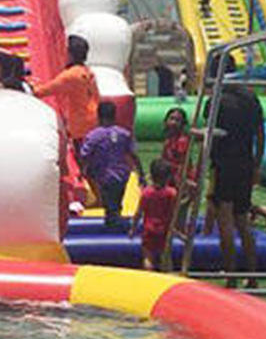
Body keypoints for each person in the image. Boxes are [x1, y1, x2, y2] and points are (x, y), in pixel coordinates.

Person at [207, 57, 266, 287]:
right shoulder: (250, 97)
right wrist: (257, 164)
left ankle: (231, 275)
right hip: (244, 163)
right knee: (242, 220)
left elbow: (211, 133)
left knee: (225, 220)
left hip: (224, 164)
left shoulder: (217, 99)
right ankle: (252, 276)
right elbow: (260, 134)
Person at [77, 101, 140, 233]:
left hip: (103, 175)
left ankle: (113, 228)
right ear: (114, 115)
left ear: (98, 116)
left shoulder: (94, 135)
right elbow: (133, 154)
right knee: (116, 201)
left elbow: (84, 155)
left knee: (109, 204)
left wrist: (82, 171)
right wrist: (141, 173)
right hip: (122, 174)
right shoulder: (124, 133)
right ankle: (117, 223)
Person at [34, 35, 100, 149]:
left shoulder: (70, 76)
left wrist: (31, 86)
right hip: (94, 122)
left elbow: (43, 91)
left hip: (80, 127)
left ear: (70, 54)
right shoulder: (88, 72)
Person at [133, 156, 180, 272]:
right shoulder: (172, 193)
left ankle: (149, 273)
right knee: (166, 256)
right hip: (165, 229)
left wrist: (133, 228)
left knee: (148, 256)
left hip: (149, 229)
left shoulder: (146, 193)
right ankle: (167, 274)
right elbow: (175, 212)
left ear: (151, 176)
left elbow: (139, 212)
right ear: (168, 177)